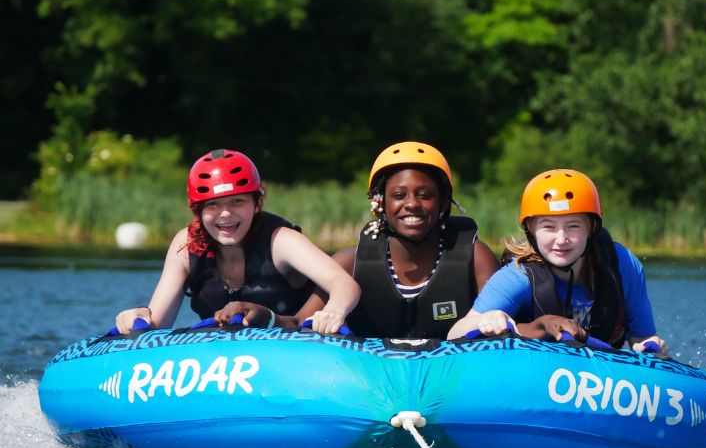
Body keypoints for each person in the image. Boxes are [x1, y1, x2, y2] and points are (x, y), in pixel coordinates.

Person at [115, 148, 360, 334]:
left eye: (237, 202)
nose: (225, 214)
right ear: (197, 211)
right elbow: (157, 323)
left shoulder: (281, 241)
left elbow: (343, 283)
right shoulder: (186, 245)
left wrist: (334, 310)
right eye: (213, 205)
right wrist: (139, 315)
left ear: (257, 205)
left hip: (292, 352)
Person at [447, 169, 669, 355]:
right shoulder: (518, 276)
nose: (561, 240)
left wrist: (651, 345)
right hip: (535, 370)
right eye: (548, 227)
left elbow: (642, 336)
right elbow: (454, 333)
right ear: (530, 230)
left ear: (591, 228)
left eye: (573, 226)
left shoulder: (623, 265)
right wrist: (487, 320)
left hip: (603, 373)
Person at [295, 141, 500, 339]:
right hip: (368, 373)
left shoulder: (476, 258)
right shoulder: (349, 262)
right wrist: (266, 316)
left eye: (425, 195)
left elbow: (498, 323)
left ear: (444, 202)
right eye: (399, 195)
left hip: (452, 372)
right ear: (380, 203)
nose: (411, 204)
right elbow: (297, 325)